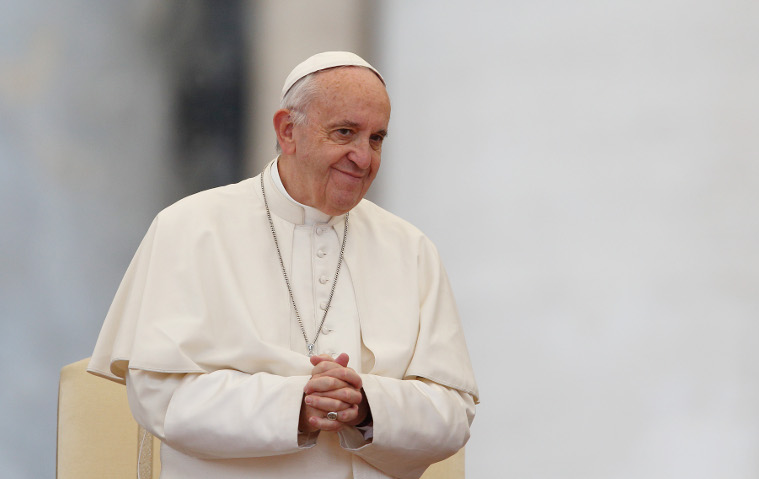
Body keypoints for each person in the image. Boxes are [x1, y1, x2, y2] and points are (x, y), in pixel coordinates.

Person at [88, 51, 478, 479]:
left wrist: (368, 405)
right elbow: (160, 397)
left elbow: (453, 413)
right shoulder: (190, 227)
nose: (363, 158)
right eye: (345, 132)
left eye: (376, 138)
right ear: (288, 131)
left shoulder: (412, 249)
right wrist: (297, 406)